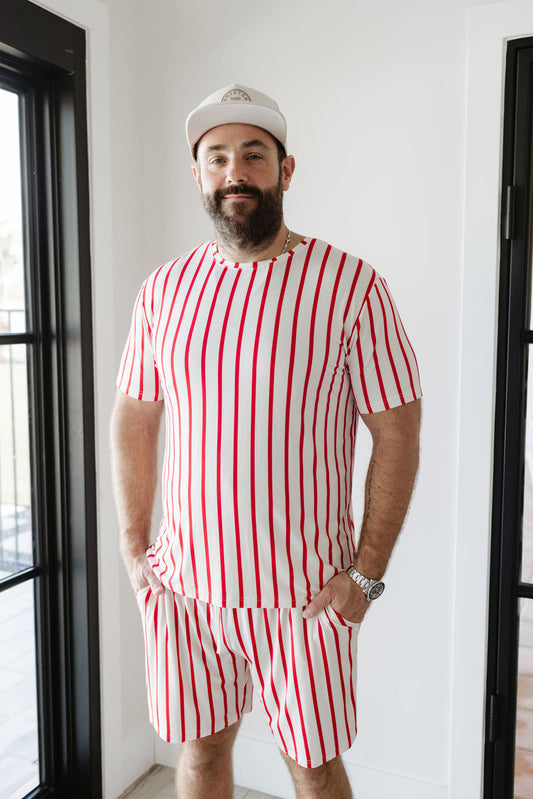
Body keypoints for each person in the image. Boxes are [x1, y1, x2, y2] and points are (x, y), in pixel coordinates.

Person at [110, 83, 422, 799]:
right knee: (198, 753)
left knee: (312, 768)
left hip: (307, 594)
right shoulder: (165, 290)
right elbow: (135, 415)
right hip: (187, 589)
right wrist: (135, 550)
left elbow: (396, 431)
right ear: (198, 177)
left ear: (284, 170)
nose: (234, 172)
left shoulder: (351, 287)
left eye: (253, 154)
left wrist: (365, 574)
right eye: (216, 157)